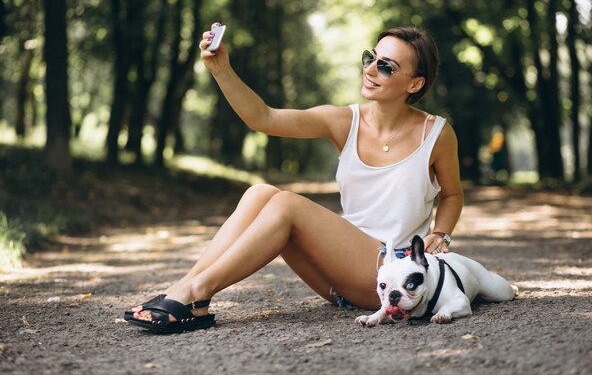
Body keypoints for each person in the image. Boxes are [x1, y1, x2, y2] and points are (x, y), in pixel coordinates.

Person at [125, 23, 463, 333]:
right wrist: (221, 70)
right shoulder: (344, 120)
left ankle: (195, 293)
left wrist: (441, 234)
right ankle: (185, 292)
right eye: (370, 58)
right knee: (260, 193)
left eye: (386, 66)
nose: (370, 69)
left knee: (287, 204)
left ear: (415, 83)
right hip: (338, 278)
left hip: (396, 278)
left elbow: (451, 194)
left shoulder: (435, 133)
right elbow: (264, 118)